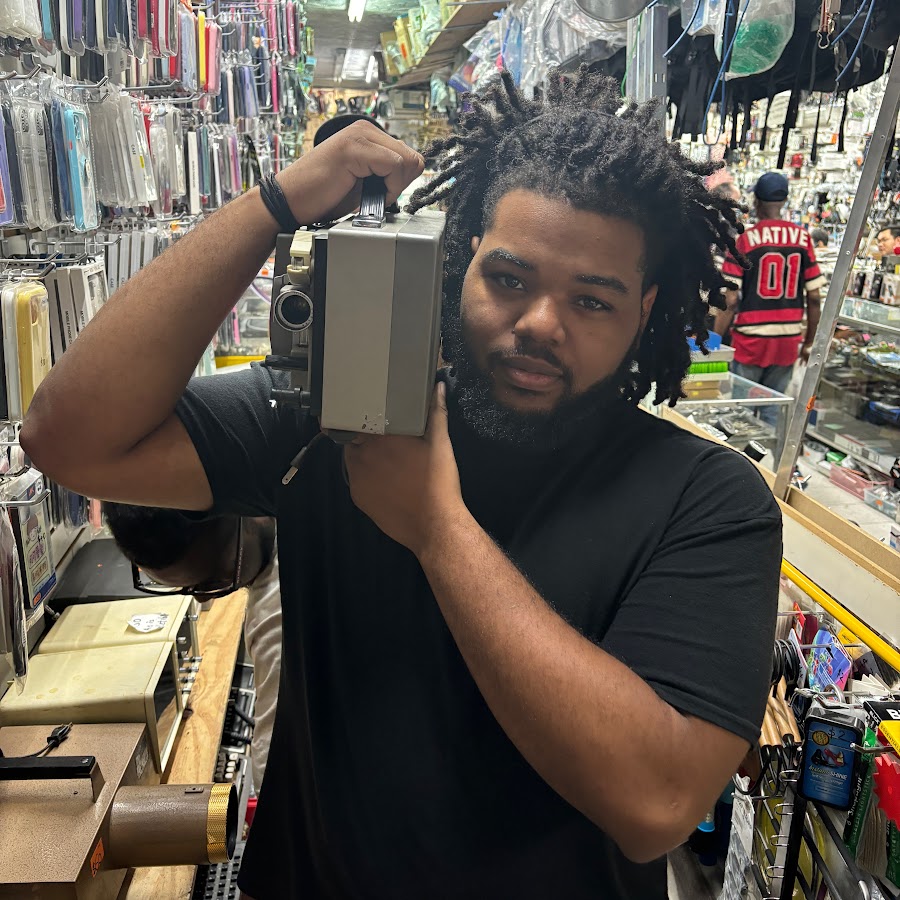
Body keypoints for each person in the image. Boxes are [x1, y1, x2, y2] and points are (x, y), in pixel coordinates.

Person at [22, 68, 781, 900]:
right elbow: (68, 438)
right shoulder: (341, 417)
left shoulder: (707, 500)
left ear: (644, 309)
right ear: (461, 261)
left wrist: (437, 528)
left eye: (593, 302)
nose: (541, 324)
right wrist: (276, 204)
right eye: (510, 279)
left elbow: (658, 802)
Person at [103, 504, 282, 790]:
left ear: (247, 508)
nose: (201, 600)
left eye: (216, 579)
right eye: (187, 588)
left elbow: (277, 780)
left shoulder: (277, 618)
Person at [716, 172, 825, 394]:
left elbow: (731, 299)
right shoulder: (803, 239)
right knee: (773, 407)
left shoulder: (744, 240)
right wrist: (809, 343)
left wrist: (715, 341)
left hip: (750, 340)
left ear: (756, 201)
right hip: (787, 340)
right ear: (785, 201)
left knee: (742, 407)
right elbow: (814, 297)